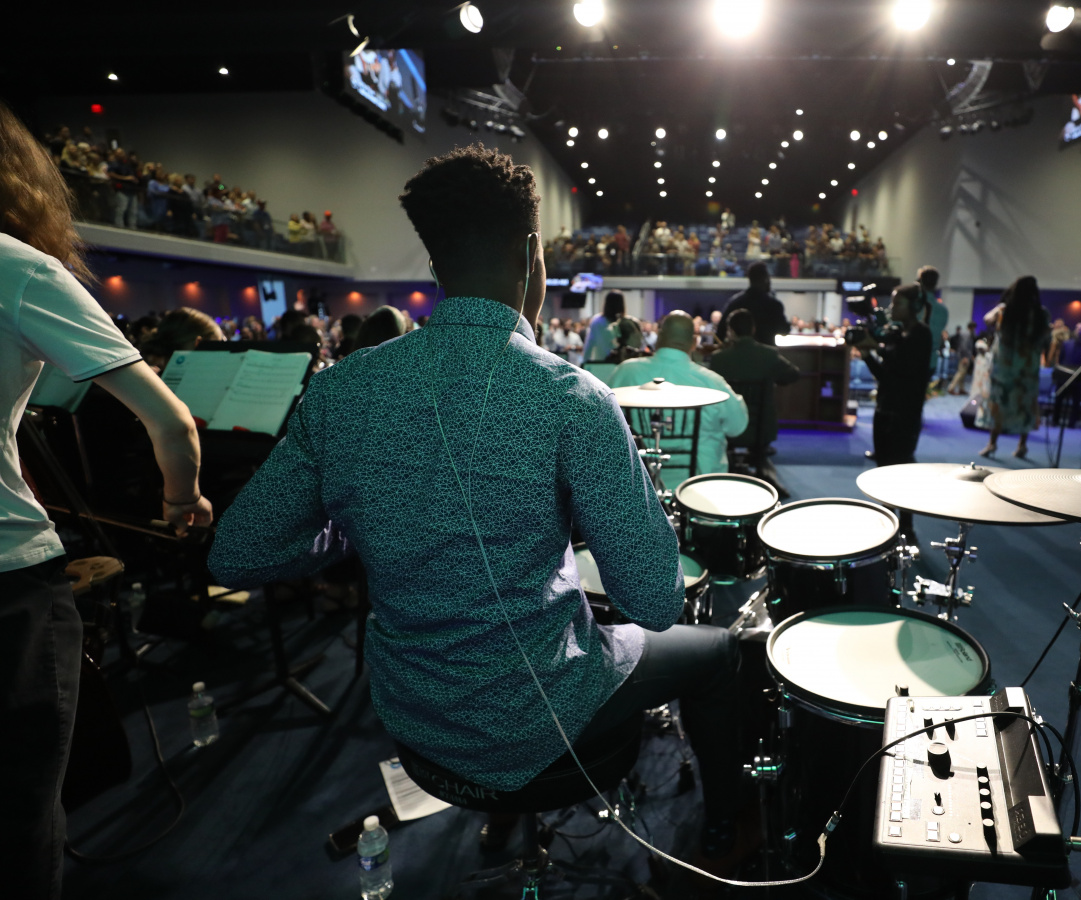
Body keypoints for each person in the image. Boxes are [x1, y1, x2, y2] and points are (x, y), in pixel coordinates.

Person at [207, 145, 748, 866]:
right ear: (533, 257)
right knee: (721, 654)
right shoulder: (570, 397)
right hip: (538, 712)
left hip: (412, 714)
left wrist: (360, 522)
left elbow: (237, 553)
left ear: (437, 267)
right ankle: (728, 834)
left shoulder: (339, 389)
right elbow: (653, 601)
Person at [0, 100, 212, 900]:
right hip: (6, 582)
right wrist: (183, 502)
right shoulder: (17, 266)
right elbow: (172, 421)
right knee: (19, 817)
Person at [612, 311, 749, 483]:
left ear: (659, 337)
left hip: (635, 480)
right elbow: (737, 427)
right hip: (699, 482)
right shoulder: (712, 382)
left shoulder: (625, 372)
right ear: (694, 342)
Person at [859, 284, 932, 543]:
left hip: (905, 414)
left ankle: (907, 527)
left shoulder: (920, 334)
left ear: (914, 306)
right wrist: (869, 352)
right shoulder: (898, 333)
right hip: (885, 408)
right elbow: (887, 372)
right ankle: (889, 525)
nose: (891, 308)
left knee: (901, 472)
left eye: (897, 303)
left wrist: (873, 351)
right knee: (883, 471)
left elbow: (897, 371)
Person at [707, 309, 800, 487]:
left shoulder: (718, 359)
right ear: (753, 329)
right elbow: (793, 374)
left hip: (728, 428)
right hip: (762, 429)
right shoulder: (769, 355)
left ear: (730, 331)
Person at [977, 276, 1051, 459]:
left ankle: (992, 443)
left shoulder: (1004, 310)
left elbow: (987, 319)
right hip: (1027, 369)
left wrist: (1001, 306)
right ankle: (1022, 445)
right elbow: (1045, 339)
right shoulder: (1042, 314)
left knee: (998, 403)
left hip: (1003, 367)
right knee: (1025, 405)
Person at [716, 262, 790, 345]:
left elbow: (721, 332)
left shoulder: (735, 303)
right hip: (765, 352)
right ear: (765, 279)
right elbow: (784, 330)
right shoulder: (773, 305)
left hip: (740, 352)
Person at [916, 265, 948, 380]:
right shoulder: (943, 310)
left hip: (912, 358)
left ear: (919, 281)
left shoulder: (914, 305)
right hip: (931, 361)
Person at [583, 290, 631, 362]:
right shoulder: (627, 322)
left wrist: (584, 363)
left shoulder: (597, 321)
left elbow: (589, 345)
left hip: (602, 364)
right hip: (622, 364)